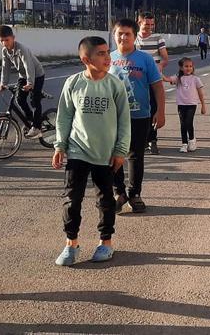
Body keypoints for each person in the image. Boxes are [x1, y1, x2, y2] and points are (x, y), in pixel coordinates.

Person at [52, 36, 130, 266]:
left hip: (105, 154)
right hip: (77, 150)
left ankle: (106, 242)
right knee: (71, 199)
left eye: (108, 53)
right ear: (86, 59)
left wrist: (120, 151)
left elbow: (124, 121)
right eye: (101, 54)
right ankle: (71, 244)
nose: (108, 57)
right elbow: (64, 117)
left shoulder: (115, 85)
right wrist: (60, 145)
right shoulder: (73, 83)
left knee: (105, 199)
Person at [109, 18, 165, 213]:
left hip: (141, 116)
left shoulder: (145, 59)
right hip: (113, 118)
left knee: (136, 156)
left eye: (128, 34)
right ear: (114, 35)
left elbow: (157, 86)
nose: (123, 37)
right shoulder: (108, 59)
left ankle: (135, 194)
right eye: (120, 33)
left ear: (134, 37)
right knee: (113, 156)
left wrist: (160, 111)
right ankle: (119, 193)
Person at [0, 25, 45, 139]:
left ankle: (37, 128)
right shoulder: (5, 51)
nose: (4, 43)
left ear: (13, 38)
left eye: (7, 40)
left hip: (36, 75)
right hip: (23, 75)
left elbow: (29, 67)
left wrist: (30, 83)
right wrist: (3, 83)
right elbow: (5, 67)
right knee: (19, 99)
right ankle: (31, 121)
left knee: (34, 101)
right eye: (1, 41)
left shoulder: (21, 49)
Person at [135, 12, 169, 155]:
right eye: (146, 24)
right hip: (136, 80)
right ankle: (140, 140)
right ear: (139, 22)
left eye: (151, 24)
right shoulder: (133, 38)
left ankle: (152, 140)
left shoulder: (157, 38)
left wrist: (159, 67)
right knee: (138, 109)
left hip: (153, 79)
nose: (149, 27)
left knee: (153, 108)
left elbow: (165, 58)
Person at [164, 57, 206, 152]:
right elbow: (167, 79)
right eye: (186, 66)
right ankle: (184, 144)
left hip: (192, 104)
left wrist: (203, 105)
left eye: (190, 66)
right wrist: (158, 72)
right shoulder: (178, 78)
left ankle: (192, 140)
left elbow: (200, 93)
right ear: (181, 68)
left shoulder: (196, 79)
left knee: (188, 122)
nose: (188, 68)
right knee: (183, 124)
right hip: (181, 104)